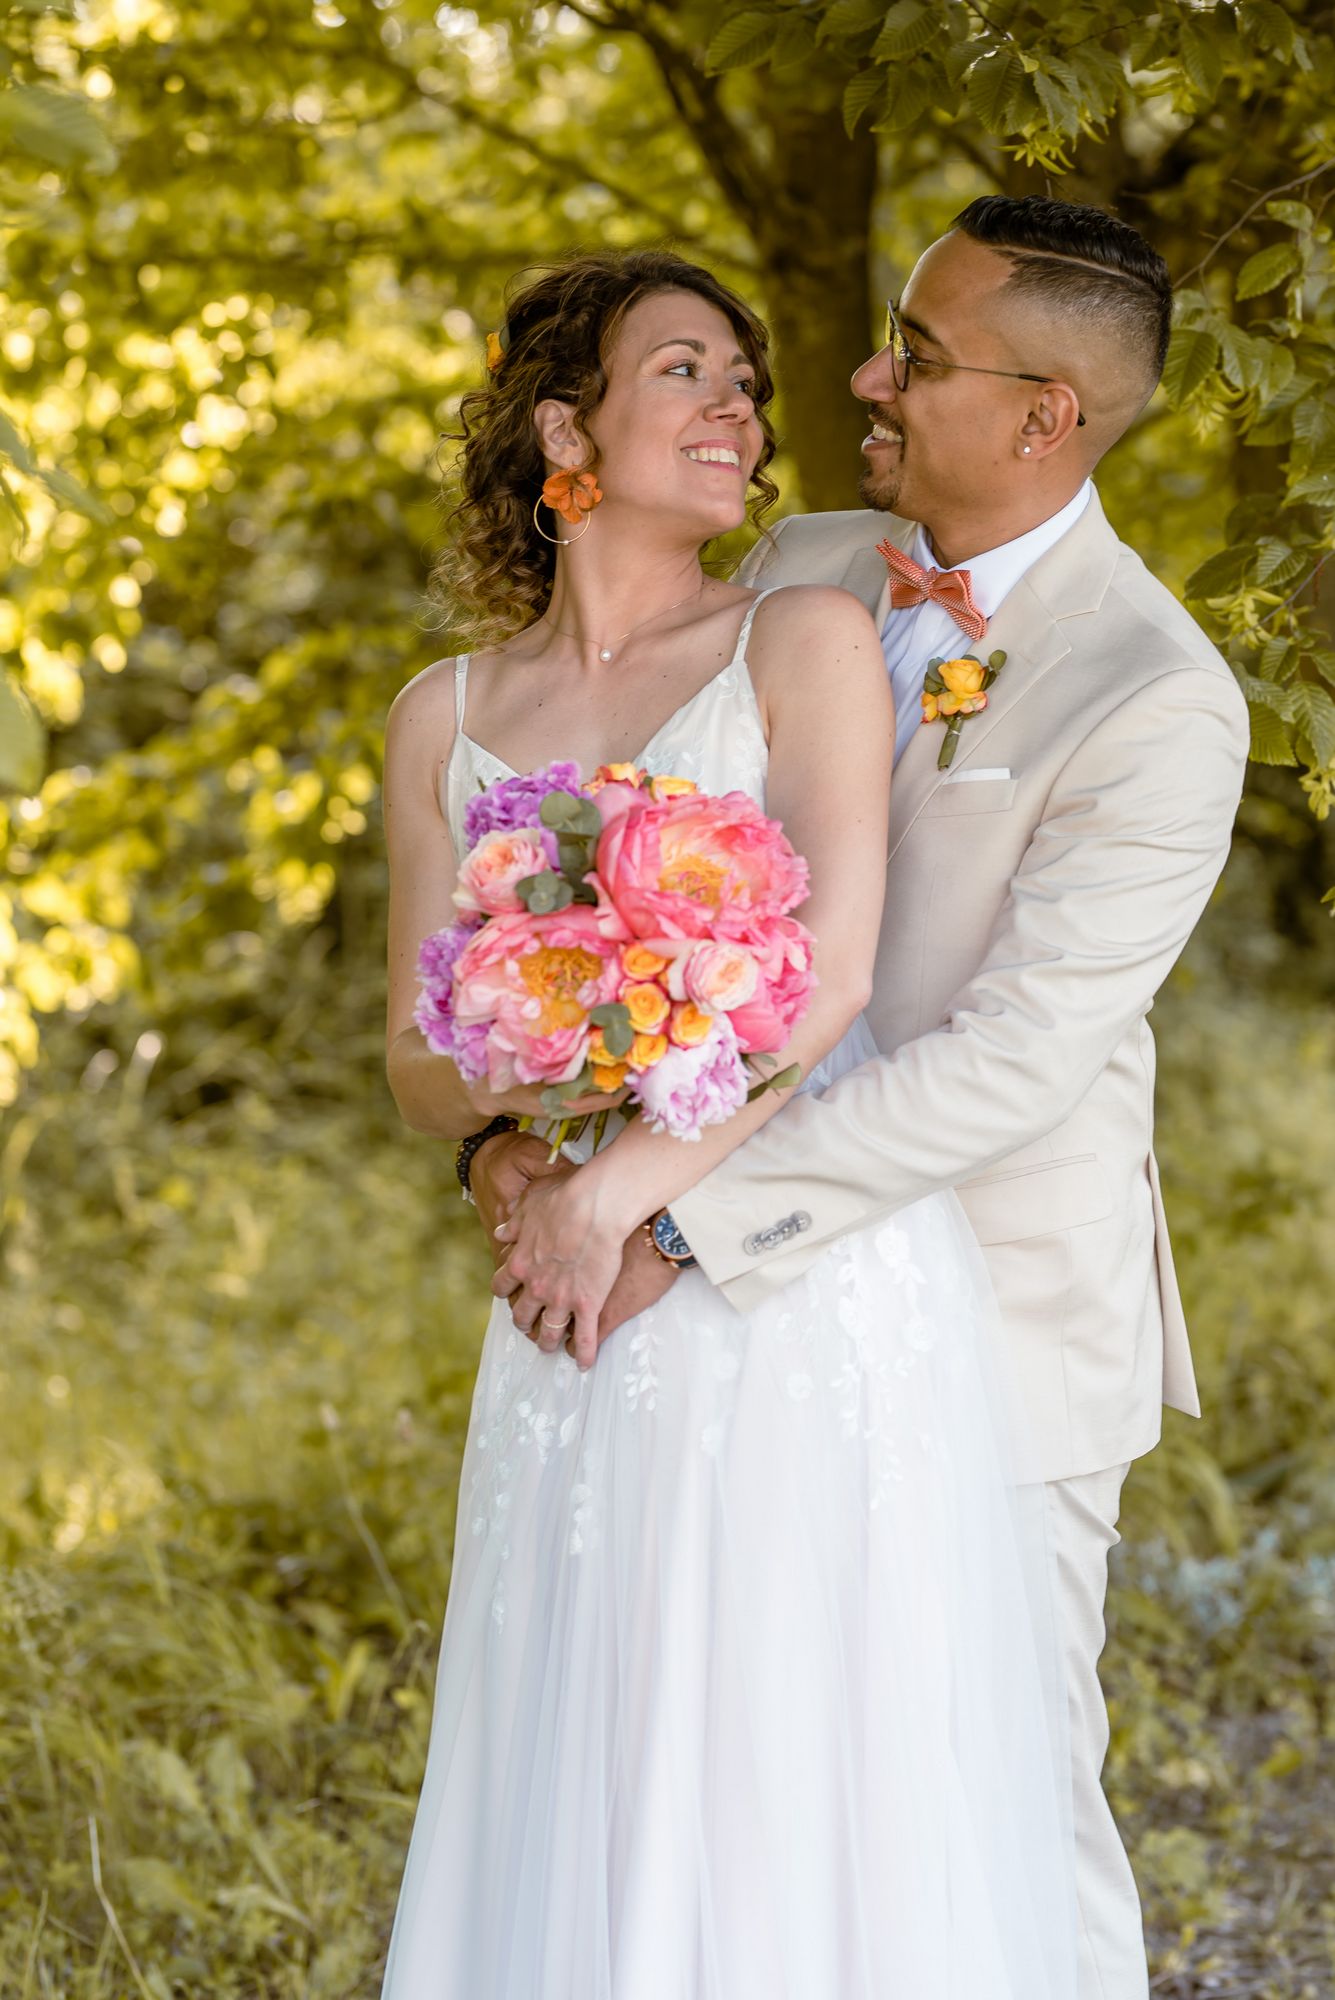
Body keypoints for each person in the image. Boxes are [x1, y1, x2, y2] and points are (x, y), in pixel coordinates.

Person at [484, 200, 1250, 2000]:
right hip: (727, 1334)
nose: (863, 377)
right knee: (759, 1795)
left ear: (1046, 415)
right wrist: (523, 1141)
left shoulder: (1159, 697)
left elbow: (1011, 1060)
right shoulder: (800, 562)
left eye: (917, 352)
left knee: (1005, 1806)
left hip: (990, 1311)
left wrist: (668, 1210)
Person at [380, 247, 1078, 1999]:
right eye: (685, 370)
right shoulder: (439, 717)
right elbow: (415, 1048)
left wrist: (615, 1195)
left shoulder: (800, 636)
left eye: (745, 382)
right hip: (566, 1295)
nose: (740, 409)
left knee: (787, 1730)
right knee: (590, 1716)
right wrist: (518, 1124)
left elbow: (825, 981)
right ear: (567, 432)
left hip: (785, 1265)